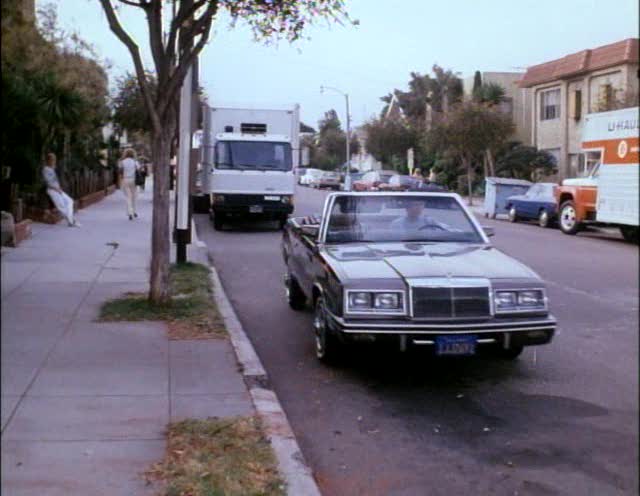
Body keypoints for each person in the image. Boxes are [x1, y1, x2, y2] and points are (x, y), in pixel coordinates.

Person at [42, 152, 80, 227]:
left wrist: (59, 188)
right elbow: (48, 182)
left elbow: (56, 179)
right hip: (52, 190)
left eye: (54, 159)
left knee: (70, 201)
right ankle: (71, 221)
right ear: (48, 160)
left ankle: (71, 220)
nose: (54, 161)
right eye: (52, 160)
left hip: (58, 189)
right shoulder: (45, 169)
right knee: (61, 207)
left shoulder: (53, 168)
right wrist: (57, 189)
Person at [119, 148, 140, 220]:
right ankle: (134, 211)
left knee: (128, 197)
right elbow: (138, 169)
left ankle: (130, 213)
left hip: (126, 180)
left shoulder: (122, 162)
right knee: (134, 197)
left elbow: (120, 171)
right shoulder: (135, 162)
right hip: (134, 180)